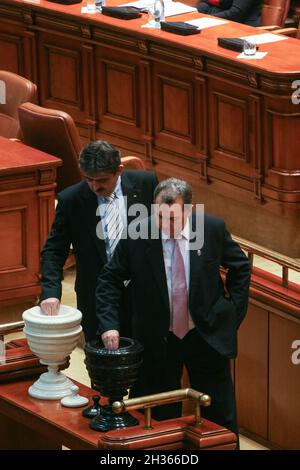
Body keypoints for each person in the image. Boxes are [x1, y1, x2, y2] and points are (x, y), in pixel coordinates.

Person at [95, 177, 251, 440]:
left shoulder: (211, 229)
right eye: (159, 217)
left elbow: (241, 267)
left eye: (172, 219)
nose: (165, 226)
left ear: (188, 211)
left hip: (205, 334)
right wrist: (109, 323)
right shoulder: (138, 233)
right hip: (158, 338)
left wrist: (231, 314)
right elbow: (109, 279)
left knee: (219, 412)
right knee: (157, 415)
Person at [40, 140, 158, 341]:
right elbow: (54, 250)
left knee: (150, 366)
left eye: (102, 180)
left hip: (145, 295)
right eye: (88, 179)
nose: (94, 186)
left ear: (119, 170)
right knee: (103, 367)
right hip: (97, 298)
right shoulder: (71, 200)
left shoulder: (147, 184)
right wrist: (51, 292)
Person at [196, 0, 262, 26]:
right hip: (221, 22)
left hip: (243, 29)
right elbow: (209, 3)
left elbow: (235, 13)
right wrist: (194, 14)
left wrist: (207, 18)